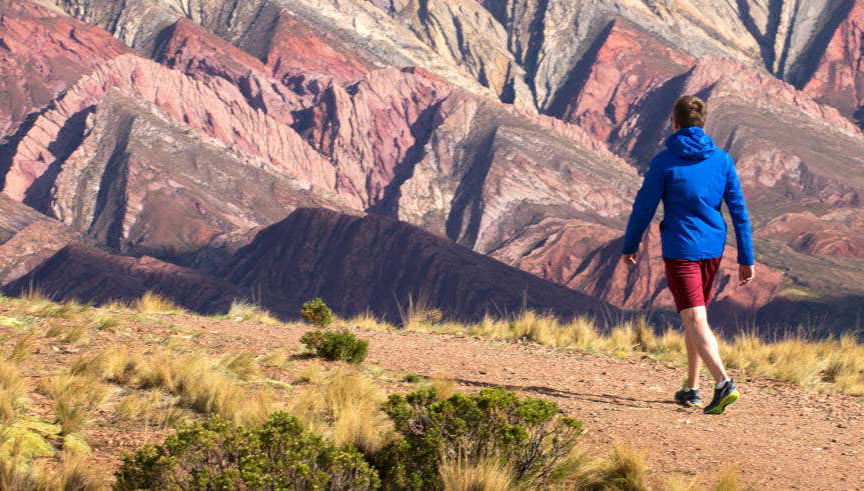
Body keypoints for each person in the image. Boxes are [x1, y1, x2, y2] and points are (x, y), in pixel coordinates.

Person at [620, 95, 754, 415]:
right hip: (712, 248)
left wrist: (630, 244)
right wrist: (746, 257)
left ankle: (723, 383)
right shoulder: (721, 160)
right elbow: (739, 211)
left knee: (693, 317)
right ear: (702, 123)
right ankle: (691, 388)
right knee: (696, 318)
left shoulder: (665, 162)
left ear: (675, 123)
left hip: (681, 248)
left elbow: (644, 207)